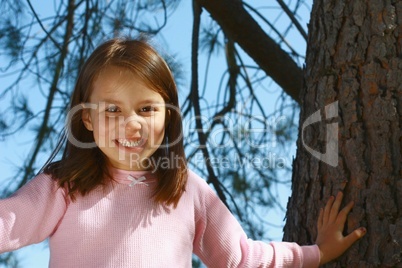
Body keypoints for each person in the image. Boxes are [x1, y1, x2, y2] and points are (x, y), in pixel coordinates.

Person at [0, 37, 366, 267]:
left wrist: (315, 253)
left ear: (168, 115)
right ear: (88, 120)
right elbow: (8, 223)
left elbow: (242, 257)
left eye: (146, 109)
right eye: (112, 110)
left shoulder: (187, 191)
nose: (132, 124)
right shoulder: (64, 185)